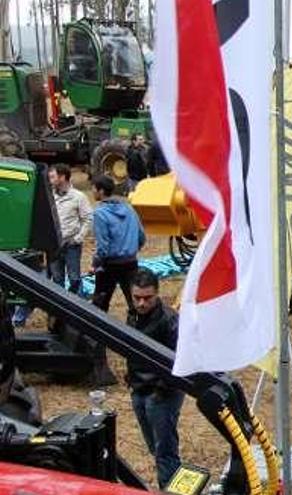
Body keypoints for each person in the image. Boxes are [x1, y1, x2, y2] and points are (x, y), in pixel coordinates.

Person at [126, 269, 185, 489]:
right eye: (137, 298)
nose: (141, 303)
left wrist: (161, 389)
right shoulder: (133, 315)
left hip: (162, 393)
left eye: (147, 298)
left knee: (165, 451)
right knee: (156, 447)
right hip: (140, 389)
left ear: (157, 294)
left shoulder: (169, 320)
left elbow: (178, 362)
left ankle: (171, 488)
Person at [91, 174, 146, 312]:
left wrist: (96, 263)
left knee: (100, 304)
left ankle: (98, 331)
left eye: (93, 188)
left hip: (109, 265)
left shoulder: (100, 214)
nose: (92, 191)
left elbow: (103, 245)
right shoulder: (129, 209)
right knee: (136, 302)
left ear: (101, 191)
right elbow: (141, 236)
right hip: (130, 263)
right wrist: (131, 249)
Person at [48, 164, 92, 296]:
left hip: (71, 245)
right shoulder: (49, 197)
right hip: (54, 246)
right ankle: (57, 311)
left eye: (52, 177)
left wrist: (78, 239)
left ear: (62, 177)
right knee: (56, 279)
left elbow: (88, 219)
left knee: (74, 279)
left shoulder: (78, 197)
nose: (50, 180)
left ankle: (77, 308)